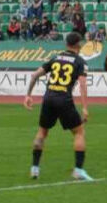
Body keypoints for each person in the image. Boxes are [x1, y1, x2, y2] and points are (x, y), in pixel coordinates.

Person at [24, 32, 92, 181]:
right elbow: (82, 84)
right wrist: (85, 107)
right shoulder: (80, 62)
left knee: (42, 132)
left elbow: (35, 75)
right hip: (64, 99)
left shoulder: (55, 58)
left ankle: (35, 168)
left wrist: (28, 95)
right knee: (79, 132)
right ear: (78, 45)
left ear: (66, 44)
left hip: (48, 98)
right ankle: (79, 170)